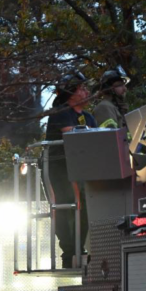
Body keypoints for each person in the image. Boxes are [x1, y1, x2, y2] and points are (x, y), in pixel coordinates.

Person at [45, 71, 97, 268]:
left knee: (85, 205)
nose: (87, 92)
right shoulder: (61, 113)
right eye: (82, 88)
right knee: (67, 206)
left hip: (82, 170)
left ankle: (80, 247)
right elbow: (73, 137)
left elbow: (99, 139)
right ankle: (70, 250)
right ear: (71, 92)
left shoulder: (89, 117)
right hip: (60, 169)